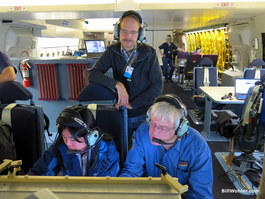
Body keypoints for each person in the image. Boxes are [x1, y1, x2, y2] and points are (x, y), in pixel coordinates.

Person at [88, 10, 163, 143]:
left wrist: (133, 104)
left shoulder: (149, 53)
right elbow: (93, 74)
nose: (128, 36)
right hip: (122, 113)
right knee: (121, 148)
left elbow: (157, 86)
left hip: (144, 112)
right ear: (118, 32)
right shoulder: (112, 51)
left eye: (133, 32)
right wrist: (117, 85)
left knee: (146, 150)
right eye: (124, 31)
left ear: (140, 34)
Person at [119, 94, 213, 199]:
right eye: (153, 123)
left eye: (163, 128)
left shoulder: (198, 147)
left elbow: (200, 195)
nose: (154, 131)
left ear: (180, 129)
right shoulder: (143, 131)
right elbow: (131, 171)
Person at [28, 106, 120, 176]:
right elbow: (39, 172)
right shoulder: (60, 145)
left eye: (73, 139)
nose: (67, 143)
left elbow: (108, 186)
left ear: (92, 137)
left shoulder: (108, 150)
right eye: (64, 137)